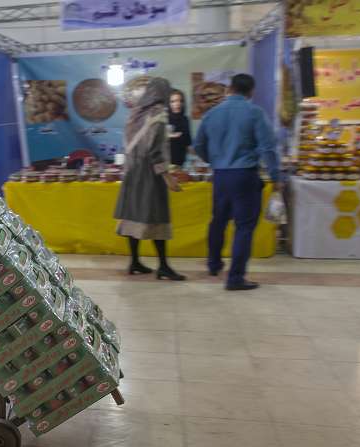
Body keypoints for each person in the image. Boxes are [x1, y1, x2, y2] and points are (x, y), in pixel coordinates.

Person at [194, 73, 280, 291]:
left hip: (220, 176)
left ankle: (214, 265)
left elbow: (198, 145)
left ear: (230, 89)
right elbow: (268, 148)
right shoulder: (255, 113)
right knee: (244, 227)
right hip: (245, 176)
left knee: (218, 221)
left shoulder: (211, 114)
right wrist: (277, 176)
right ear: (251, 92)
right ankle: (235, 277)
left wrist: (214, 160)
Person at [114, 77, 186, 281]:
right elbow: (155, 150)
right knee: (158, 218)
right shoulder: (158, 115)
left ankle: (135, 261)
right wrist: (167, 176)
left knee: (132, 218)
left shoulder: (135, 114)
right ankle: (163, 266)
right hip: (150, 175)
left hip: (131, 173)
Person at [167, 89, 192, 167]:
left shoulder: (185, 119)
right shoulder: (164, 119)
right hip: (165, 163)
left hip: (181, 163)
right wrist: (168, 136)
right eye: (173, 101)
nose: (177, 104)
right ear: (168, 104)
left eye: (180, 101)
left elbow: (188, 143)